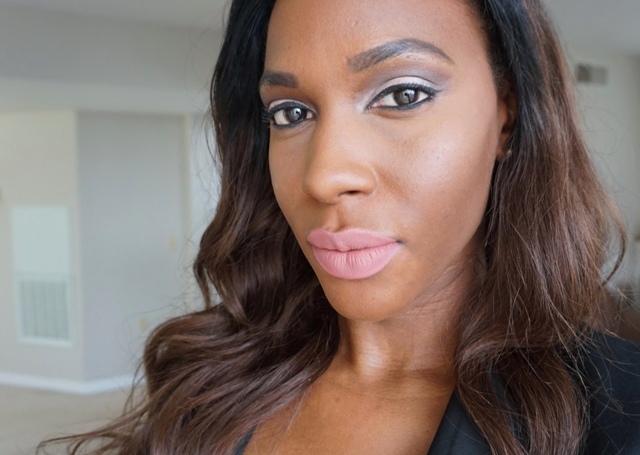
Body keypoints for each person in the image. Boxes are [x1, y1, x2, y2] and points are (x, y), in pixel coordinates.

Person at [42, 0, 640, 454]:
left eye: (403, 95)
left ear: (506, 115)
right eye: (291, 113)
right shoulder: (210, 380)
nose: (323, 176)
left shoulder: (619, 417)